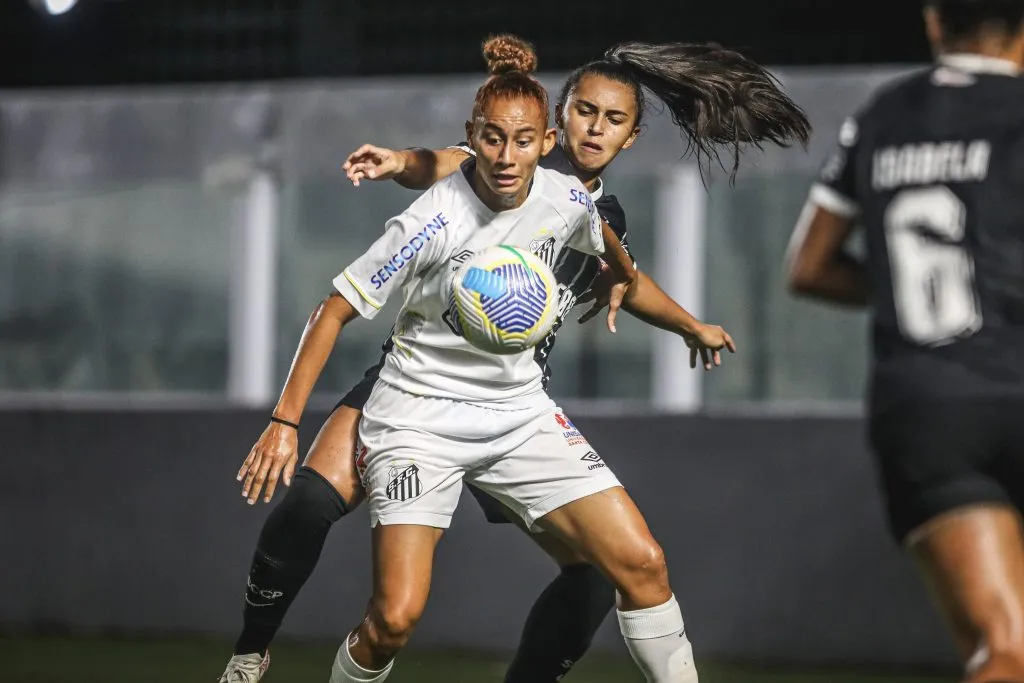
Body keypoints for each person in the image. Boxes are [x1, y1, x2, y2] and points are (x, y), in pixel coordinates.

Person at [221, 35, 810, 683]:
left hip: (512, 404)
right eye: (585, 111)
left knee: (602, 574)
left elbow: (630, 279)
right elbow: (441, 162)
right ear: (557, 122)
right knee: (310, 504)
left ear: (631, 138)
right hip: (418, 386)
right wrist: (399, 162)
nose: (596, 128)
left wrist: (689, 324)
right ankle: (251, 654)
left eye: (614, 120)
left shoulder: (593, 212)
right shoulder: (510, 163)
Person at [786, 2, 1024, 681]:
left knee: (1003, 649)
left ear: (934, 22)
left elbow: (810, 266)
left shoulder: (883, 115)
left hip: (928, 409)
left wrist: (899, 289)